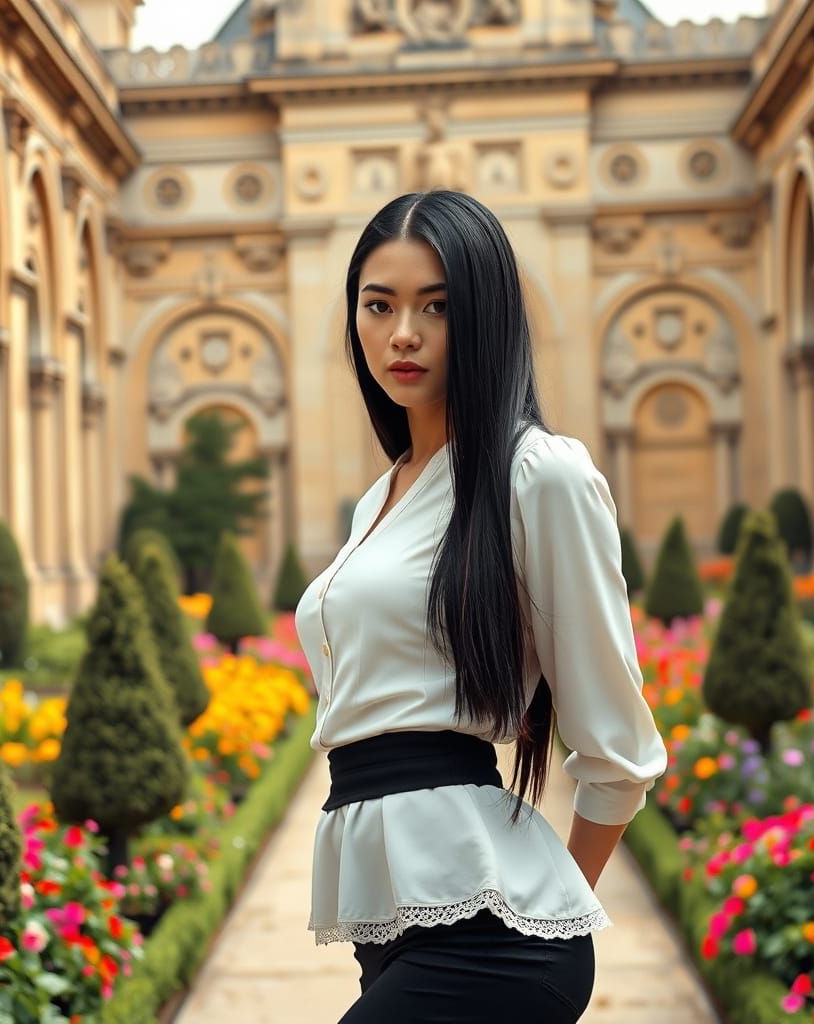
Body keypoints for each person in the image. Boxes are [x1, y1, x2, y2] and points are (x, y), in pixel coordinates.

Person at [294, 190, 668, 1023]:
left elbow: (617, 749)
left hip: (496, 943)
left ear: (487, 316)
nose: (403, 334)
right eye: (379, 304)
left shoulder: (539, 474)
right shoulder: (382, 497)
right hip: (397, 926)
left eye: (437, 307)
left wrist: (553, 903)